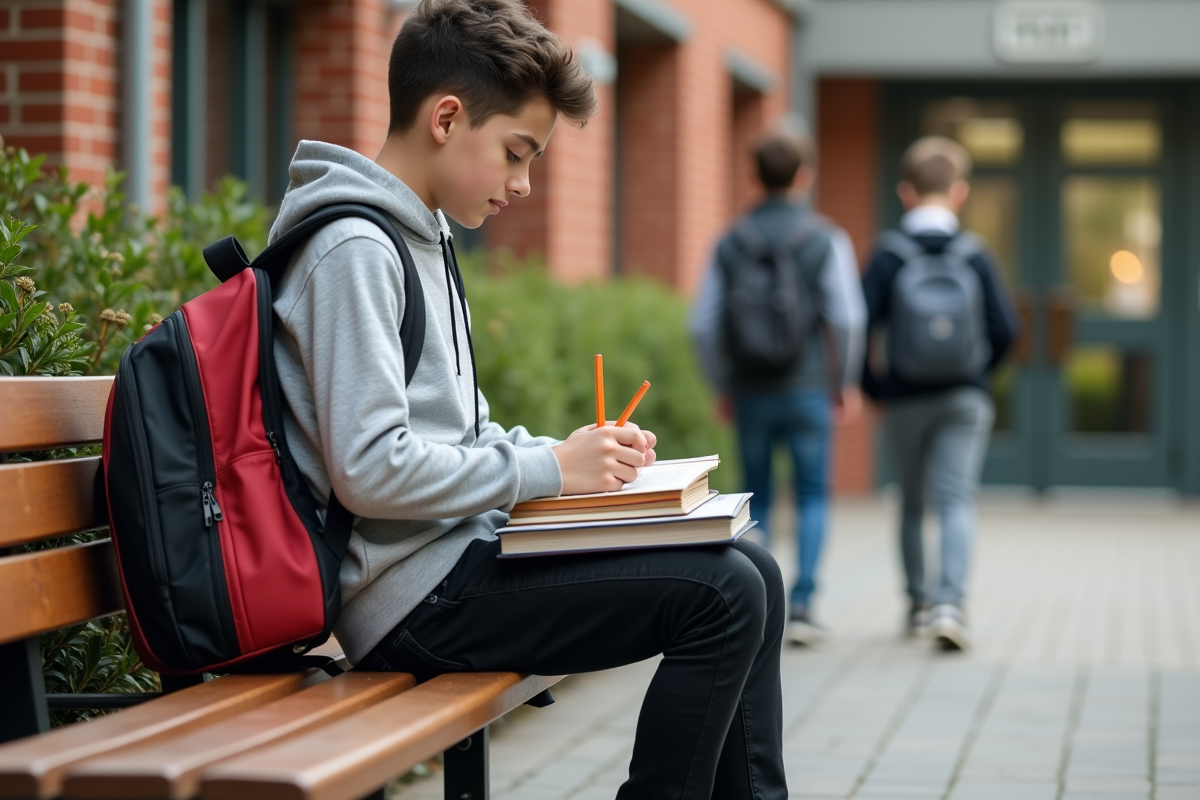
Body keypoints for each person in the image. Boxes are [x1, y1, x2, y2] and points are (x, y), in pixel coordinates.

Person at [268, 1, 787, 797]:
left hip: (458, 561)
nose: (524, 183)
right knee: (725, 592)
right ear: (447, 119)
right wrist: (550, 470)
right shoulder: (355, 250)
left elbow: (464, 432)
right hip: (411, 602)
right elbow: (369, 471)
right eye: (517, 153)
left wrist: (578, 462)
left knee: (754, 569)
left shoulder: (420, 236)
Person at [691, 131, 866, 646]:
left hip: (750, 390)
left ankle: (761, 605)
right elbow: (848, 318)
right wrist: (844, 381)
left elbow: (701, 325)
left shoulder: (729, 240)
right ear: (805, 177)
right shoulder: (825, 238)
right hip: (809, 389)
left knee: (757, 495)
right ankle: (805, 604)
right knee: (812, 493)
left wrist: (722, 383)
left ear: (753, 176)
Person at [860, 136, 1018, 651]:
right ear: (960, 193)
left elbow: (859, 328)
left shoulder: (888, 255)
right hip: (964, 397)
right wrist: (977, 376)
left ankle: (919, 604)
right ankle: (951, 605)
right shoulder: (975, 254)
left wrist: (876, 388)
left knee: (911, 501)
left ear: (905, 192)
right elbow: (1006, 329)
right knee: (956, 499)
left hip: (905, 397)